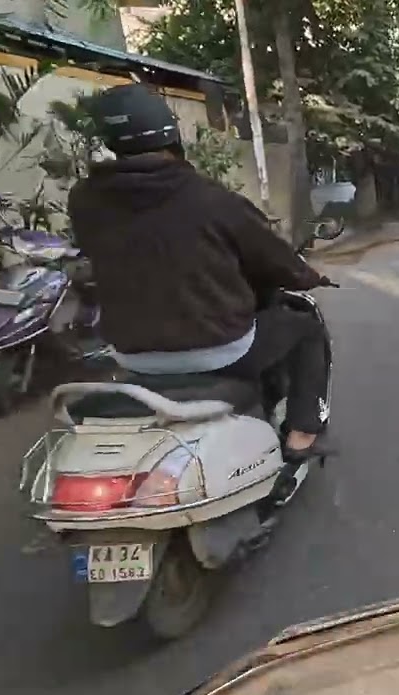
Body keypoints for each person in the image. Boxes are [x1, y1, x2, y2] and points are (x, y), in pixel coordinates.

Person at [68, 83, 331, 461]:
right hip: (220, 350)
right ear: (173, 136)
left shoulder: (84, 199)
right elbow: (276, 260)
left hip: (131, 355)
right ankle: (302, 437)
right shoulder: (212, 199)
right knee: (306, 329)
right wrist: (309, 276)